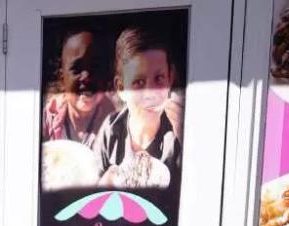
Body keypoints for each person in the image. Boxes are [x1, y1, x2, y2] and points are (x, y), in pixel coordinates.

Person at [94, 26, 185, 187]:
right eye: (139, 82)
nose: (151, 93)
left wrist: (187, 139)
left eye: (159, 78)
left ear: (170, 79)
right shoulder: (110, 131)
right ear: (121, 88)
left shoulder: (178, 136)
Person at [43, 30, 117, 147]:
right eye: (77, 68)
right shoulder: (48, 116)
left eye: (95, 67)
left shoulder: (114, 124)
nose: (86, 76)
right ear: (62, 77)